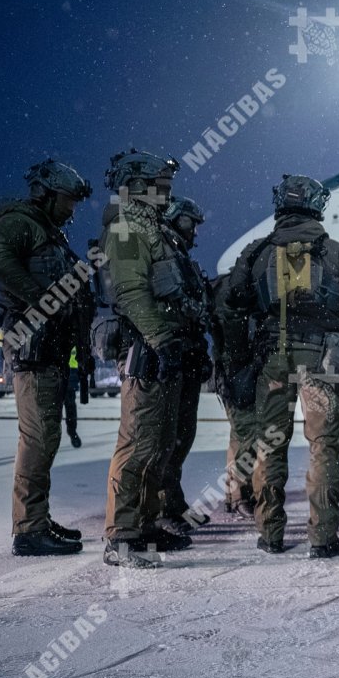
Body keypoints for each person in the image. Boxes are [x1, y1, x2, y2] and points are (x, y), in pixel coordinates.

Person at [224, 175, 339, 558]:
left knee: (269, 447)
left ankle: (270, 533)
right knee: (323, 448)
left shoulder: (256, 252)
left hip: (271, 361)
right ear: (316, 206)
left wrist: (239, 359)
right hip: (322, 364)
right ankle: (323, 537)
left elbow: (229, 308)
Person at [0, 158, 94, 557]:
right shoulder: (21, 222)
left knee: (46, 438)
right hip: (34, 347)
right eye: (67, 200)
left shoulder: (49, 232)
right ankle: (28, 529)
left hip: (52, 349)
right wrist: (39, 300)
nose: (71, 209)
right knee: (38, 437)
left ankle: (37, 520)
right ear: (46, 194)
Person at [100, 149, 200, 568]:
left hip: (163, 346)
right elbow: (131, 293)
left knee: (159, 442)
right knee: (138, 441)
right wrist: (162, 338)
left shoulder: (150, 228)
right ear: (139, 187)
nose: (168, 190)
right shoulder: (126, 229)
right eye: (161, 183)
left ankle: (144, 524)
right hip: (147, 348)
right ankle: (120, 536)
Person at [154, 196, 213, 535]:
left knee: (182, 435)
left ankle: (173, 502)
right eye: (190, 223)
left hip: (188, 353)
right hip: (174, 353)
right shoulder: (164, 255)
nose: (194, 231)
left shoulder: (180, 257)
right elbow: (172, 302)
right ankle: (162, 507)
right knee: (167, 436)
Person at [209, 272, 258, 519]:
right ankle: (240, 495)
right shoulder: (239, 293)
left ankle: (234, 494)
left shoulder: (227, 290)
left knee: (239, 435)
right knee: (247, 434)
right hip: (239, 373)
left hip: (233, 372)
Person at [62, 347, 81, 448]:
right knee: (69, 407)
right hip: (63, 373)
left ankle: (72, 432)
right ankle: (72, 432)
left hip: (70, 373)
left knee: (70, 407)